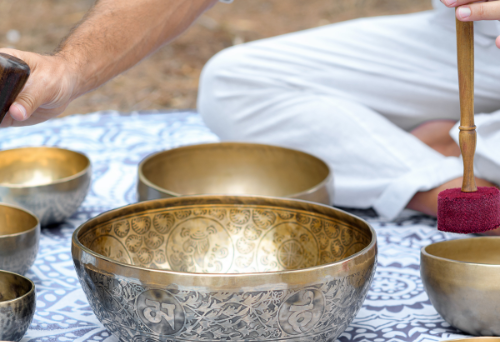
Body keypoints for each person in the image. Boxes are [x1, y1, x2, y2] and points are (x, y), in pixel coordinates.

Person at [1, 0, 499, 221]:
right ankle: (445, 186)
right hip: (468, 38)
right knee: (235, 82)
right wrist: (70, 67)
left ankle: (436, 143)